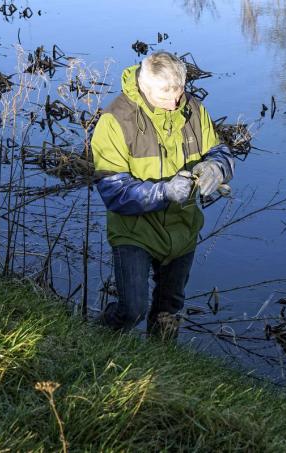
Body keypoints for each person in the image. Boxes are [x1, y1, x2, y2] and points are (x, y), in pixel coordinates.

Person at [91, 51, 234, 339]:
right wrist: (163, 192)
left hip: (183, 229)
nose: (175, 99)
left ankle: (162, 367)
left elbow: (219, 151)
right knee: (132, 309)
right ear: (144, 87)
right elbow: (112, 190)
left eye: (179, 88)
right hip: (135, 231)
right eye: (165, 91)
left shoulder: (193, 109)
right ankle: (94, 339)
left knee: (169, 311)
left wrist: (217, 168)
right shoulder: (116, 120)